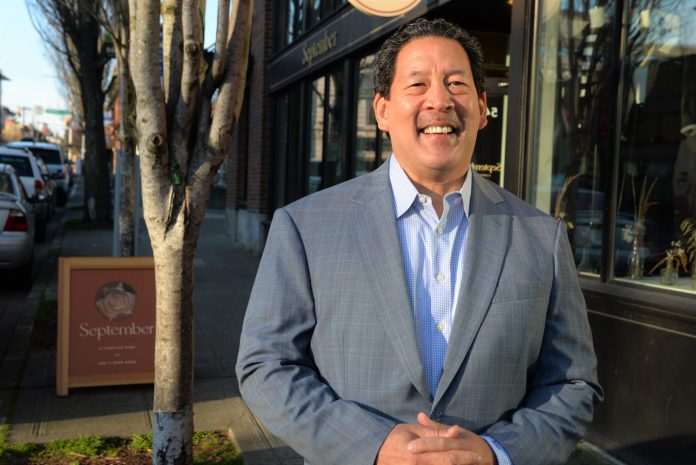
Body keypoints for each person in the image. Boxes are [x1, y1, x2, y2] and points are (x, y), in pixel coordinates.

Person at [236, 18, 602, 465]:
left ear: (483, 108)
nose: (440, 101)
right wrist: (371, 445)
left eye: (456, 83)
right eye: (417, 84)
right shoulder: (305, 227)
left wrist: (498, 452)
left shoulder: (540, 237)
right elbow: (266, 367)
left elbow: (573, 382)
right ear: (383, 110)